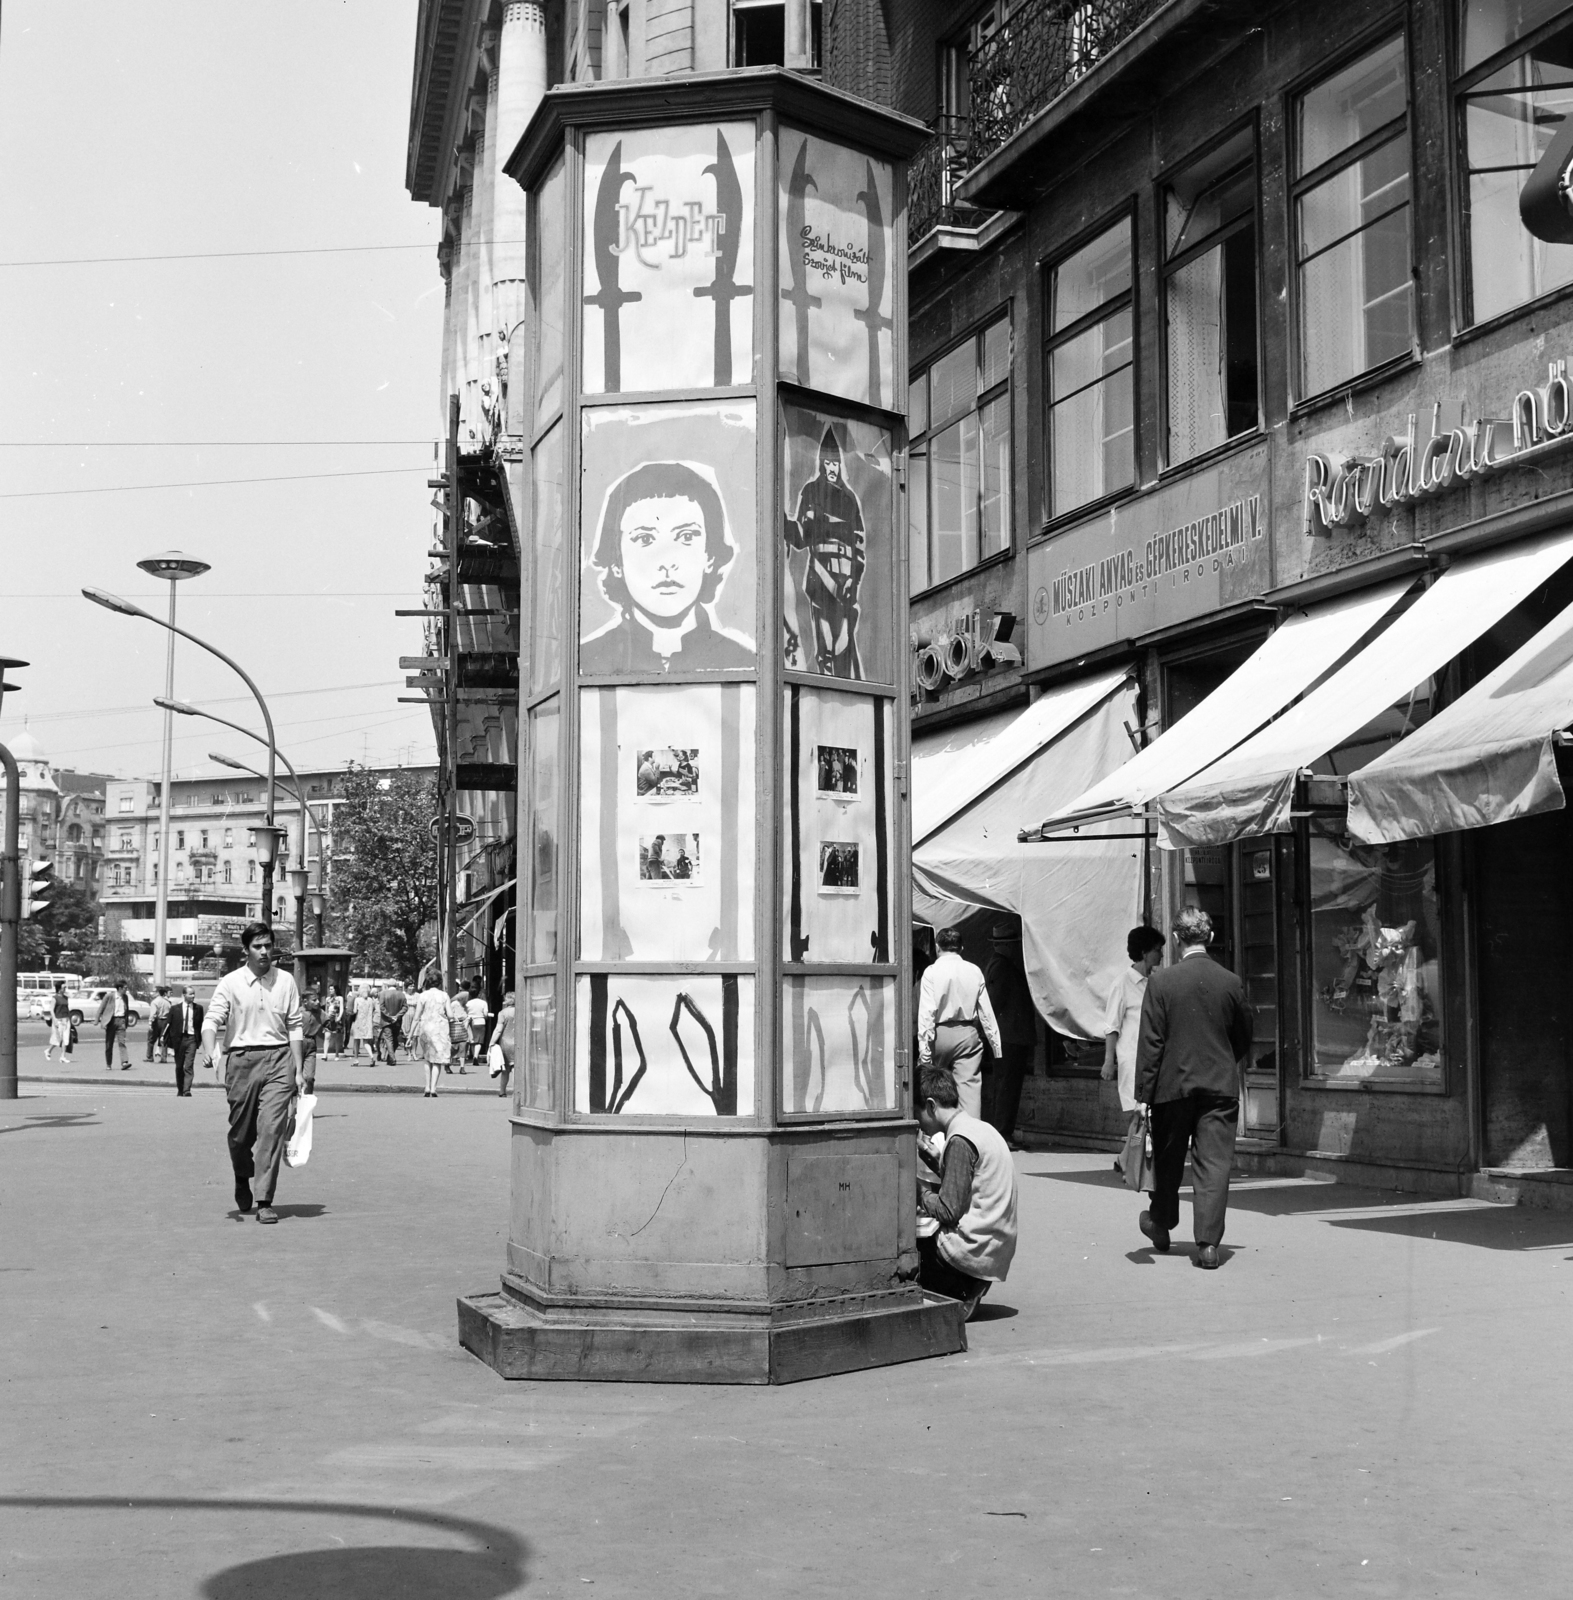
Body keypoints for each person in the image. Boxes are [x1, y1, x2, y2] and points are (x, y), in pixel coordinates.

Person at [1134, 907, 1254, 1270]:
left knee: (1168, 1161)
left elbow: (1151, 1043)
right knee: (1214, 1165)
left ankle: (1162, 1222)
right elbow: (1244, 1035)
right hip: (1219, 1087)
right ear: (1211, 938)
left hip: (1173, 1087)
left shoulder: (1161, 982)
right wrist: (1221, 1062)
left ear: (1175, 939)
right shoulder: (1230, 981)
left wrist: (1143, 1095)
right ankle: (1207, 1245)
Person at [580, 460, 755, 673]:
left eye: (686, 536)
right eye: (644, 539)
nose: (666, 562)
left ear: (709, 556)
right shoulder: (587, 664)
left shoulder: (744, 664)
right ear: (617, 562)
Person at [201, 923, 305, 1225]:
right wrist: (210, 1050)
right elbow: (212, 1020)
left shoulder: (285, 981)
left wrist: (298, 1070)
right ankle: (240, 1175)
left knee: (271, 1130)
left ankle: (264, 1200)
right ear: (246, 950)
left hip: (279, 1058)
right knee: (240, 1134)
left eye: (268, 946)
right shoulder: (231, 983)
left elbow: (295, 1025)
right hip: (241, 1061)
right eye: (258, 946)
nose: (264, 952)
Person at [914, 1065, 1018, 1321]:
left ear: (930, 1106)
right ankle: (965, 1288)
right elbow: (971, 1183)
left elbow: (948, 1210)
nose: (916, 1122)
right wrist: (938, 1162)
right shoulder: (981, 1129)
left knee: (907, 1246)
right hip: (994, 1249)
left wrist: (917, 1191)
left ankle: (960, 1290)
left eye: (917, 1114)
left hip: (971, 1253)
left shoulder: (959, 1140)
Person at [784, 425, 867, 678]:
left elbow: (859, 544)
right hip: (820, 577)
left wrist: (854, 578)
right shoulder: (811, 491)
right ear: (821, 464)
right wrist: (782, 522)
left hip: (845, 578)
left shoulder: (850, 498)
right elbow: (800, 538)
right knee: (826, 647)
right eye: (827, 463)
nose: (832, 469)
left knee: (843, 643)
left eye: (835, 464)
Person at [916, 926, 1002, 1119]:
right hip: (967, 1034)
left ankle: (938, 1136)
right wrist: (995, 1045)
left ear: (937, 947)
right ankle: (969, 1138)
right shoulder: (974, 970)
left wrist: (924, 1054)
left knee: (936, 1090)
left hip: (939, 1036)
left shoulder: (931, 972)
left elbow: (927, 1013)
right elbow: (986, 1012)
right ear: (961, 948)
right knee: (969, 1091)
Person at [1102, 925, 1166, 1174]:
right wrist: (1109, 1061)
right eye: (1156, 950)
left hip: (1153, 1057)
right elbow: (1112, 1025)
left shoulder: (1156, 983)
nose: (1160, 955)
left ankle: (1126, 1158)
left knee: (1145, 1114)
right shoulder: (1123, 983)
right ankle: (1131, 1160)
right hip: (1132, 1057)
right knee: (1138, 1114)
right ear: (1144, 952)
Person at [981, 920, 1037, 1146]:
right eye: (1013, 944)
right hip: (1009, 1038)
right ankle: (1002, 1134)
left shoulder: (1001, 964)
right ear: (1004, 946)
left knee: (1007, 1086)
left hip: (1010, 1037)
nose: (1016, 947)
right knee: (1007, 1087)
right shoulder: (1002, 966)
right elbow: (995, 1002)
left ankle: (1004, 1132)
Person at [407, 977, 452, 1097]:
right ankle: (433, 1088)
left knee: (427, 1058)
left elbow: (416, 1017)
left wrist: (410, 1036)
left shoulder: (423, 996)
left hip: (426, 1029)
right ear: (439, 983)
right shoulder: (444, 996)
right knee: (437, 1060)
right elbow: (450, 1014)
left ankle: (426, 1087)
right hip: (440, 1030)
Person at [165, 984, 204, 1097]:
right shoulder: (175, 1009)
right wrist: (165, 1038)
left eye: (193, 993)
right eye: (190, 993)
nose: (193, 996)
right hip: (179, 1040)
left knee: (188, 1065)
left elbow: (200, 1025)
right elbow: (169, 1024)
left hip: (191, 1039)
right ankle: (180, 1088)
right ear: (184, 995)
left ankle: (187, 1090)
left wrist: (199, 1040)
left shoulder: (198, 1009)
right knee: (179, 1066)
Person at [96, 979, 132, 1070]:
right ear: (119, 988)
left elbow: (127, 1010)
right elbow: (101, 1008)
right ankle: (108, 1064)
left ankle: (124, 1062)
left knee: (122, 1042)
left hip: (121, 1021)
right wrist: (97, 1019)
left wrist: (125, 1021)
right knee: (109, 1043)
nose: (126, 990)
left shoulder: (125, 997)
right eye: (125, 988)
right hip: (111, 1021)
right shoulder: (109, 996)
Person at [489, 989, 516, 1098]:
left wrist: (491, 1043)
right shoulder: (521, 1011)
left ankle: (502, 1091)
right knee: (515, 1068)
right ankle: (517, 1091)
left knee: (505, 1069)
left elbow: (498, 1030)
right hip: (518, 1042)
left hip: (505, 1042)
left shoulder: (503, 1013)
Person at [298, 984, 324, 1095]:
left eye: (317, 999)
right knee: (294, 1076)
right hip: (297, 1044)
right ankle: (295, 1105)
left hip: (311, 1045)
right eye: (314, 1000)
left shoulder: (320, 1013)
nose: (317, 1002)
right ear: (305, 1001)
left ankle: (307, 1103)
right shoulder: (297, 1012)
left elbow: (332, 1026)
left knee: (309, 1077)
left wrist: (333, 1019)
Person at [377, 980, 407, 1064]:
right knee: (394, 1039)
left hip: (386, 1021)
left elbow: (382, 1007)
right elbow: (405, 1007)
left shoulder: (382, 994)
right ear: (396, 986)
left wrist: (389, 1016)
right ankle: (390, 1057)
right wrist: (397, 1016)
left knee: (389, 1039)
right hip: (397, 1021)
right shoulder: (401, 994)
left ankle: (392, 1058)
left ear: (387, 986)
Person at [45, 982, 74, 1062]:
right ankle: (48, 1050)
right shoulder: (55, 998)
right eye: (63, 987)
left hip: (66, 1019)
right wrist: (54, 1019)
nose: (65, 989)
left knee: (65, 1038)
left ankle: (63, 1057)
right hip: (58, 1019)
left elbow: (66, 1008)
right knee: (58, 1039)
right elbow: (51, 1009)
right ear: (59, 988)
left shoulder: (66, 998)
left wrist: (69, 1018)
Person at [350, 985, 379, 1059]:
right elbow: (373, 1010)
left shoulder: (357, 999)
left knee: (356, 1041)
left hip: (358, 1022)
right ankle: (371, 1056)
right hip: (368, 1023)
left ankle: (356, 1059)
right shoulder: (370, 1000)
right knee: (366, 1042)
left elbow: (354, 1011)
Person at [145, 985, 172, 1063]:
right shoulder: (168, 1002)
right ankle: (164, 1058)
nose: (153, 993)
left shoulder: (154, 1002)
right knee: (164, 1039)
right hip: (165, 1021)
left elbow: (153, 1014)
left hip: (157, 1021)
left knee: (151, 1039)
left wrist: (150, 1023)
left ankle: (149, 1057)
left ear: (158, 992)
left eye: (154, 991)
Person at [448, 988, 471, 1072]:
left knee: (463, 1047)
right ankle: (447, 1063)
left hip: (463, 1028)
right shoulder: (455, 1004)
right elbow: (449, 1013)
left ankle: (462, 1068)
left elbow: (466, 1015)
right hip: (455, 1028)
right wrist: (454, 1018)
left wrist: (468, 1018)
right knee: (453, 1048)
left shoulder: (465, 1006)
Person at [465, 988, 490, 1066]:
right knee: (479, 1041)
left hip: (471, 1022)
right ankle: (476, 1056)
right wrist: (486, 1017)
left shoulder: (468, 1003)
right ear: (478, 994)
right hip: (480, 1022)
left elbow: (465, 1013)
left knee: (472, 1040)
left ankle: (473, 1057)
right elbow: (486, 1014)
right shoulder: (483, 1003)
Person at [323, 986, 344, 1059]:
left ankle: (337, 1053)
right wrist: (326, 1016)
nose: (330, 991)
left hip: (337, 1018)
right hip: (329, 1019)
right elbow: (326, 1009)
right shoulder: (328, 999)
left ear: (335, 990)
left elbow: (341, 1009)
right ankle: (325, 1054)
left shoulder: (340, 998)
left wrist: (339, 1017)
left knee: (336, 1037)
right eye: (329, 989)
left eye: (332, 989)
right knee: (327, 1036)